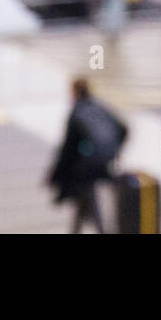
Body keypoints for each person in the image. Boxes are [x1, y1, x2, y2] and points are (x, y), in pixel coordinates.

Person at [47, 78, 128, 233]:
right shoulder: (99, 107)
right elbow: (123, 128)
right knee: (84, 202)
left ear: (74, 92)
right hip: (103, 163)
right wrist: (114, 151)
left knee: (88, 199)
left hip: (85, 169)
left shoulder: (76, 113)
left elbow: (67, 150)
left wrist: (54, 175)